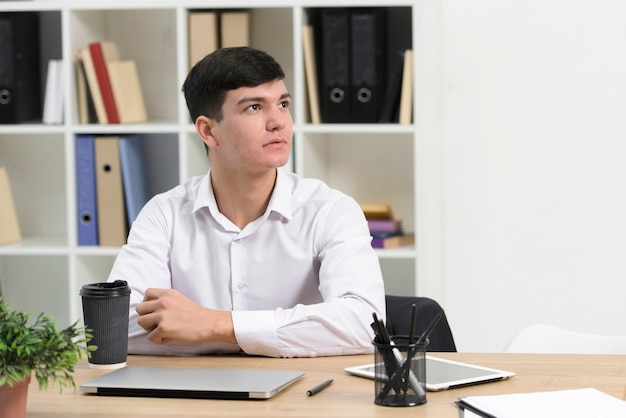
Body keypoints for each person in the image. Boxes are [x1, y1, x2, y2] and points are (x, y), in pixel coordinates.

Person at [107, 47, 386, 358]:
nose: (278, 122)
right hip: (196, 396)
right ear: (208, 130)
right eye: (254, 107)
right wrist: (278, 335)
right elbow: (116, 327)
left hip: (301, 395)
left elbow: (364, 325)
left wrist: (215, 325)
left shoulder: (330, 210)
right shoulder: (164, 214)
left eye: (283, 104)